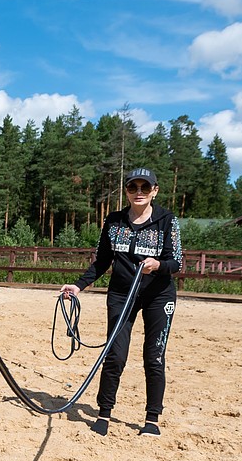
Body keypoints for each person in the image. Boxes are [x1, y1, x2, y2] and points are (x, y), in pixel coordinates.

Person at [59, 168, 182, 437]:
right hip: (121, 294)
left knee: (154, 355)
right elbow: (102, 260)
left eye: (144, 188)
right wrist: (79, 286)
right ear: (126, 191)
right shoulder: (113, 222)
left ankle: (152, 419)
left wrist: (158, 265)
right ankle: (104, 412)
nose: (138, 192)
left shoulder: (167, 221)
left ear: (154, 191)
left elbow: (176, 262)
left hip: (158, 296)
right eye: (133, 187)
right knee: (114, 354)